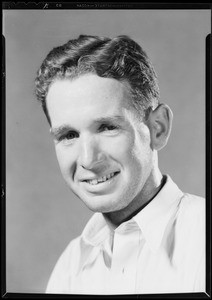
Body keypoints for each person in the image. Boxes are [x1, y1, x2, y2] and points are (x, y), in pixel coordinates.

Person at [35, 35, 205, 295]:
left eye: (107, 127)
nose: (88, 160)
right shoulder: (71, 266)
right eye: (68, 135)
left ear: (157, 128)